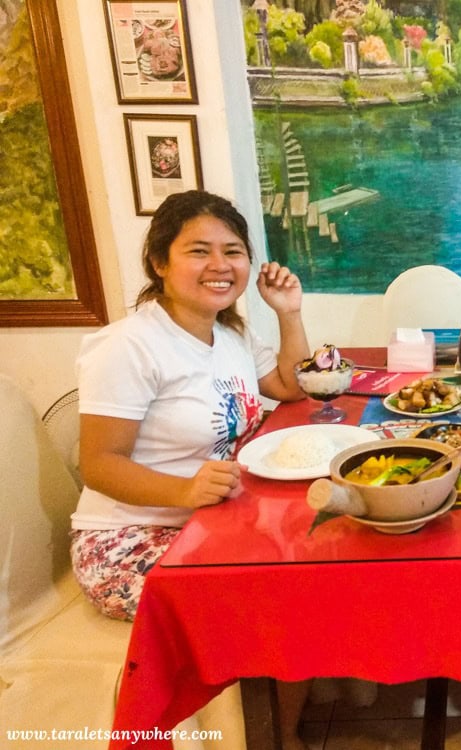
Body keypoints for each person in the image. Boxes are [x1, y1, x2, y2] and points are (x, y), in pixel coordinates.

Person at [69, 190, 313, 750]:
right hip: (126, 539)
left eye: (233, 251)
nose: (220, 265)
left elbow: (291, 386)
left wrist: (290, 312)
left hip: (210, 521)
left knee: (307, 569)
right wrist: (186, 489)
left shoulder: (227, 335)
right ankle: (265, 736)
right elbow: (99, 464)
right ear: (159, 261)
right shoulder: (129, 346)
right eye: (198, 251)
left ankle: (285, 728)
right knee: (269, 601)